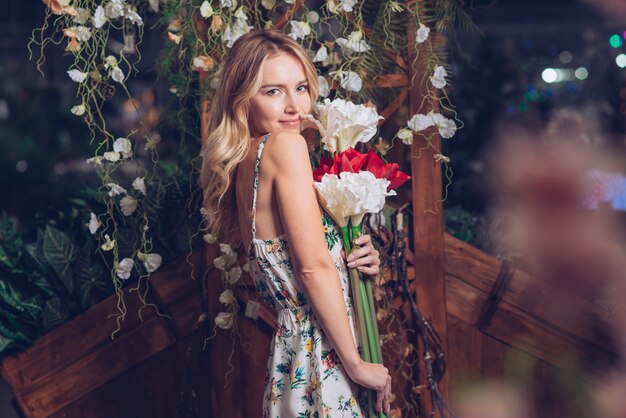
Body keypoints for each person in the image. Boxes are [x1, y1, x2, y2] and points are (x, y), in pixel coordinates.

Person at [200, 30, 392, 417]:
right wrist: (355, 364)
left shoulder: (248, 163)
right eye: (272, 91)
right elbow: (310, 267)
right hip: (326, 356)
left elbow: (312, 261)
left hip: (292, 360)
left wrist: (356, 253)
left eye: (300, 87)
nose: (293, 106)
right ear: (242, 100)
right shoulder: (285, 147)